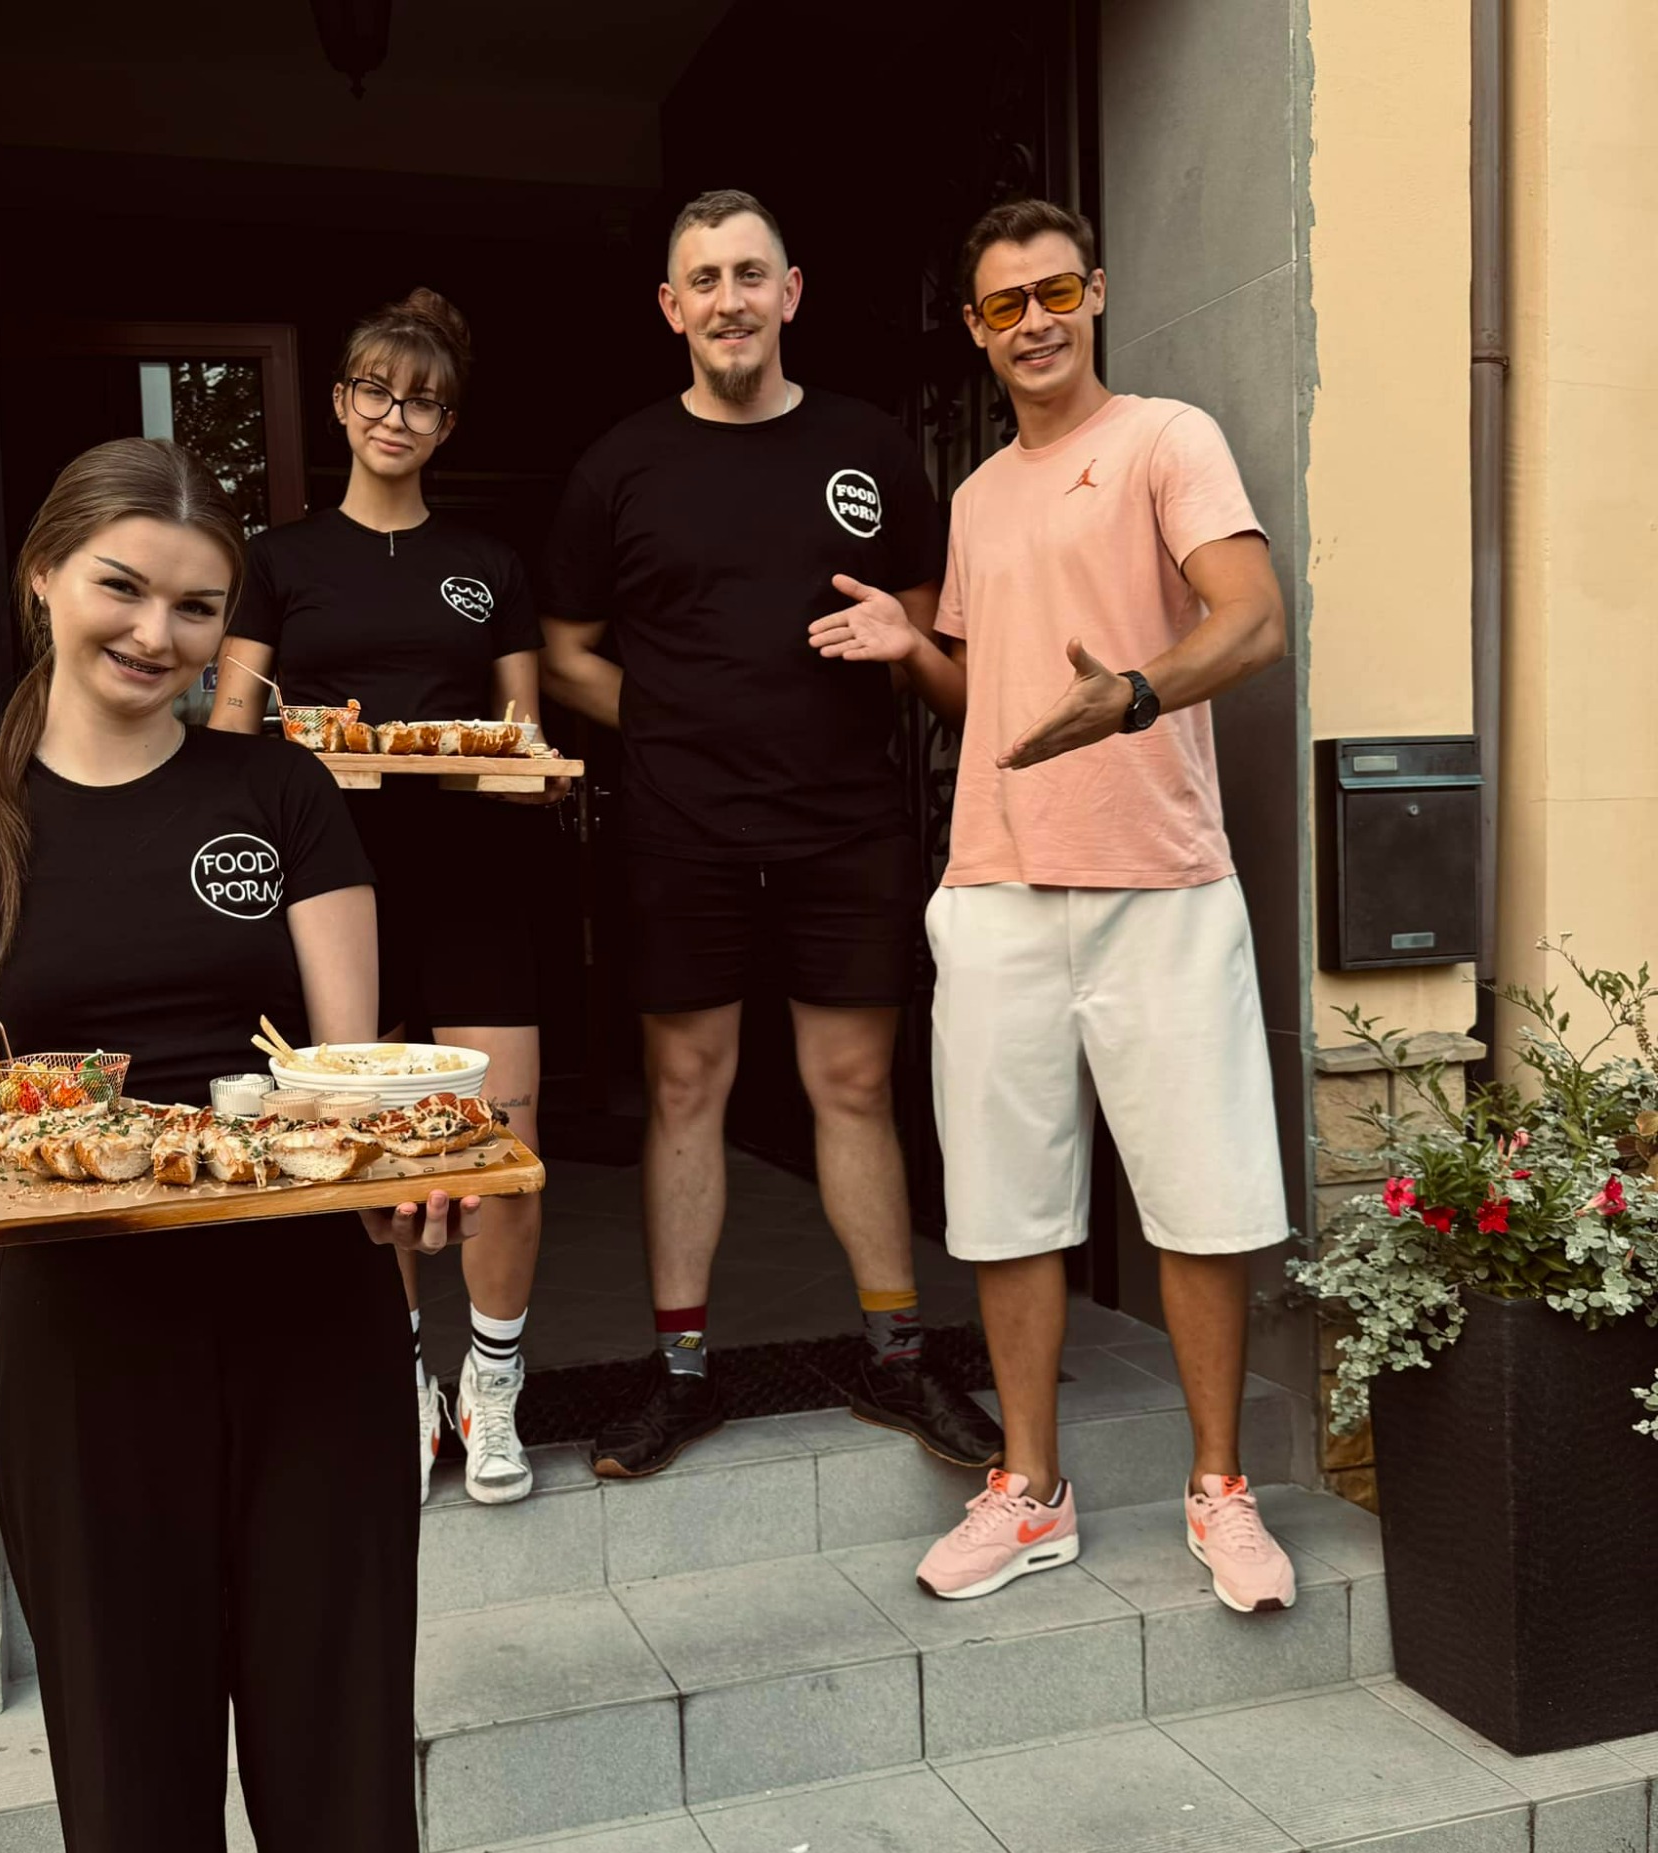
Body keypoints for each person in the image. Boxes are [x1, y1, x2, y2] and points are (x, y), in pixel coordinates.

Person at [0, 438, 457, 1853]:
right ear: (44, 579)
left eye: (198, 608)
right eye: (122, 588)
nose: (156, 633)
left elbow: (345, 1084)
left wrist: (405, 1176)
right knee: (128, 1793)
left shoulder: (281, 791)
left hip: (310, 1330)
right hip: (88, 1347)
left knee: (339, 1770)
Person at [808, 197, 1299, 1614]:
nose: (1034, 322)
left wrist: (1135, 693)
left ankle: (1219, 1489)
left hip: (1162, 884)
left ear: (1096, 293)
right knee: (1007, 1207)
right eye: (1003, 305)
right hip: (998, 887)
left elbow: (1252, 617)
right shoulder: (973, 497)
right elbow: (994, 696)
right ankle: (1030, 1490)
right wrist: (910, 646)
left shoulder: (1165, 438)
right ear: (974, 331)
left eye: (1055, 292)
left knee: (1199, 1198)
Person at [542, 189, 1004, 1479]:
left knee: (851, 1084)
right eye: (704, 279)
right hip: (677, 827)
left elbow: (929, 626)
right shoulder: (618, 466)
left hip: (840, 821)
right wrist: (670, 716)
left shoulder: (868, 445)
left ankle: (896, 1358)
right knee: (684, 1088)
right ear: (670, 307)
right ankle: (681, 1374)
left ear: (789, 292)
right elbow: (563, 653)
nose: (729, 299)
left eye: (750, 273)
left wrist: (902, 641)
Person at [212, 290, 555, 1509]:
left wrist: (492, 764)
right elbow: (230, 734)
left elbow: (523, 741)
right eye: (374, 391)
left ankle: (491, 1383)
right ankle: (404, 1380)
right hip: (333, 889)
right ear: (340, 403)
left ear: (447, 423)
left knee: (502, 1143)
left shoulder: (488, 565)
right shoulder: (277, 560)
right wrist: (304, 767)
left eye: (421, 400)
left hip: (476, 878)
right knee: (376, 1149)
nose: (394, 416)